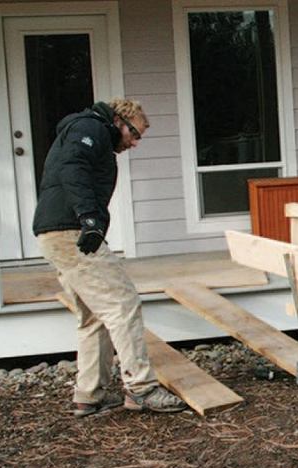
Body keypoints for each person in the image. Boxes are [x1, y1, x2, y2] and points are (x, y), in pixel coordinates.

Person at [33, 99, 186, 416]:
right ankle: (141, 389)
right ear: (119, 120)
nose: (134, 142)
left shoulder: (89, 130)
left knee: (93, 315)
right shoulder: (91, 128)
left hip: (57, 233)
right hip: (70, 232)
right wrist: (89, 219)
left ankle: (88, 395)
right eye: (134, 133)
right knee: (122, 302)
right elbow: (72, 167)